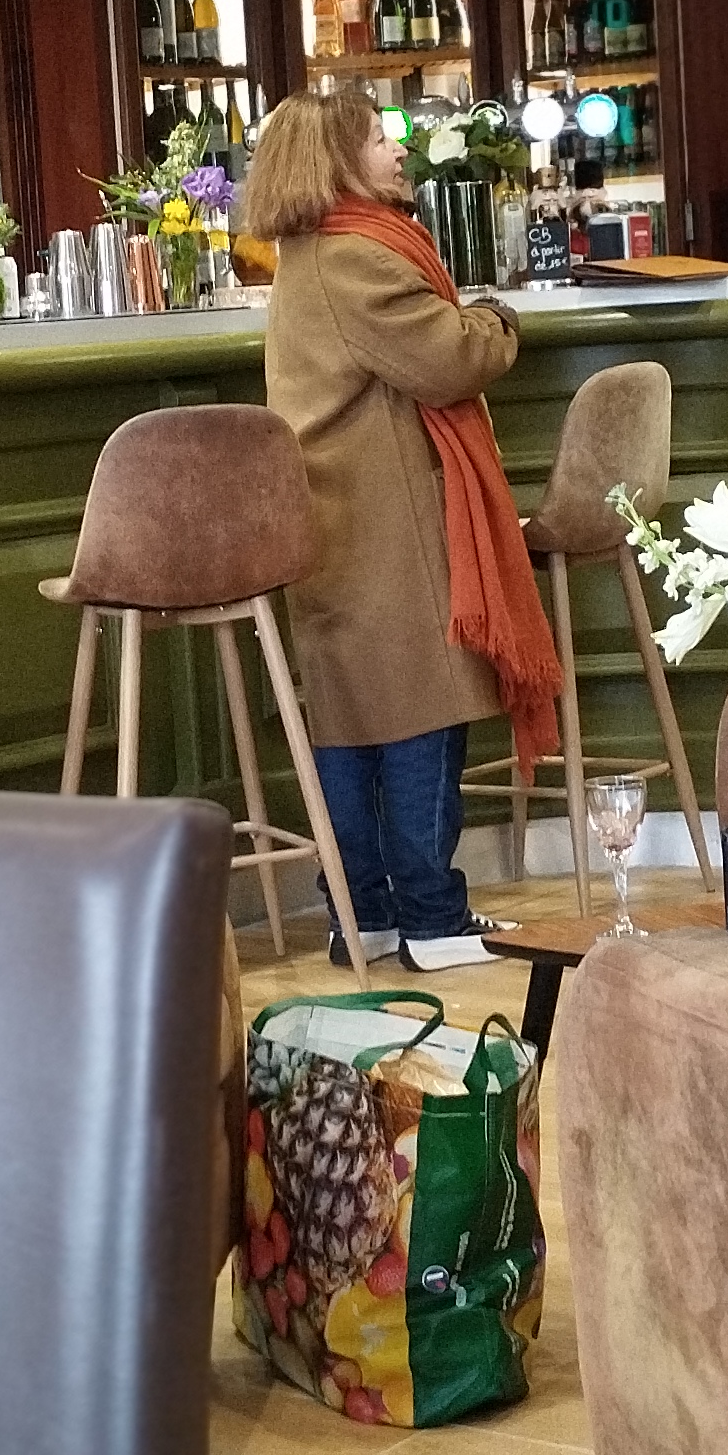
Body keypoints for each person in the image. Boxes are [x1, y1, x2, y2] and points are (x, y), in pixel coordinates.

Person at [244, 90, 562, 963]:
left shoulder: (308, 250)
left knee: (352, 722)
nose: (399, 149)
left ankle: (364, 915)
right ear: (339, 160)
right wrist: (497, 319)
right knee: (427, 708)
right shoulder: (358, 256)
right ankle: (432, 918)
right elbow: (450, 357)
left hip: (334, 522)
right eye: (381, 137)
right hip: (388, 527)